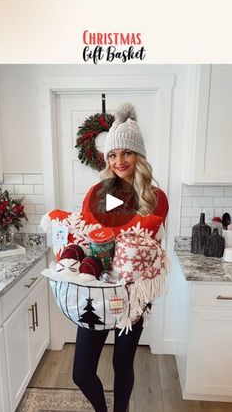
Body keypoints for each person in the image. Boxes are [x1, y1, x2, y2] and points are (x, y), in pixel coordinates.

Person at [72, 103, 169, 412]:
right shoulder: (98, 193)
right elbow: (86, 236)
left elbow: (149, 248)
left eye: (126, 152)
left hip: (133, 295)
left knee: (122, 364)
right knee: (82, 373)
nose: (119, 161)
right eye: (112, 154)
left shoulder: (155, 198)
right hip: (96, 290)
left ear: (138, 156)